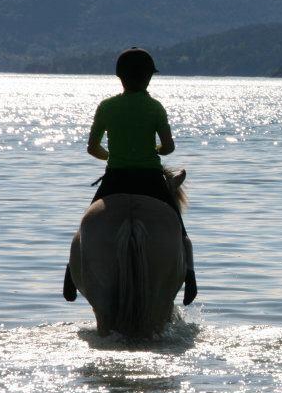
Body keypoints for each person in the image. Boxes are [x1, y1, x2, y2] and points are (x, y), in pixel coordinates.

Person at [63, 47, 197, 305]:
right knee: (180, 233)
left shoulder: (107, 106)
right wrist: (154, 150)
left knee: (83, 230)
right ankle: (190, 278)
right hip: (150, 180)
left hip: (115, 178)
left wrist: (112, 157)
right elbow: (169, 147)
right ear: (148, 78)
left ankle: (70, 277)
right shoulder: (155, 107)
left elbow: (92, 148)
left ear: (120, 77)